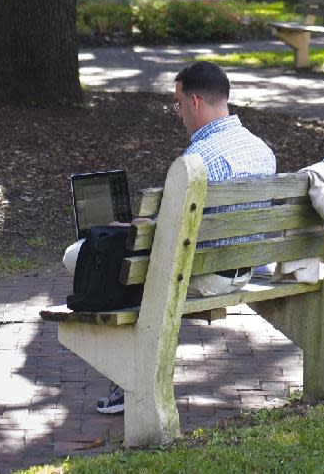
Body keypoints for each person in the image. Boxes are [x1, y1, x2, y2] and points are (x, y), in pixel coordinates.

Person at [94, 61, 276, 415]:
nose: (178, 113)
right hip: (244, 270)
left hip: (204, 277)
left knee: (87, 258)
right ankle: (133, 375)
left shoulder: (197, 159)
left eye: (178, 104)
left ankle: (132, 380)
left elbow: (172, 238)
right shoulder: (261, 150)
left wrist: (134, 229)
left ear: (194, 102)